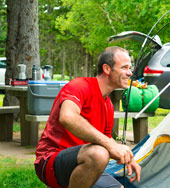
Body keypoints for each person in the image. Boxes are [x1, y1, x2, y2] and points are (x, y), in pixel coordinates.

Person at [34, 46, 141, 188]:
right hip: (50, 161)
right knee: (99, 154)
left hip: (86, 162)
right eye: (124, 68)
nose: (130, 73)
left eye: (130, 68)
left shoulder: (108, 104)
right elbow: (67, 117)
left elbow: (105, 139)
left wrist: (127, 157)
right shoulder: (79, 86)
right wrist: (109, 145)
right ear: (107, 69)